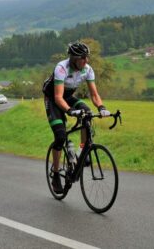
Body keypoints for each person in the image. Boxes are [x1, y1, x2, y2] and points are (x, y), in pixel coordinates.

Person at [42, 41, 110, 194]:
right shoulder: (61, 68)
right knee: (60, 136)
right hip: (53, 100)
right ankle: (56, 174)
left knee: (87, 113)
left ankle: (82, 151)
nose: (87, 61)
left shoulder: (87, 69)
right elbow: (58, 97)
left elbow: (94, 94)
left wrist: (102, 107)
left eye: (87, 57)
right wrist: (69, 111)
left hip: (68, 97)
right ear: (74, 58)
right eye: (83, 58)